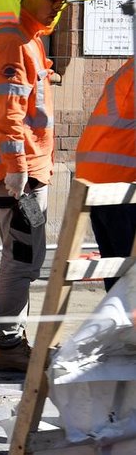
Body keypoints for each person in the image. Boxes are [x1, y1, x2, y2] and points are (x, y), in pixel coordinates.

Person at [0, 0, 86, 372]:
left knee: (26, 256)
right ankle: (8, 346)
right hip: (15, 177)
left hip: (24, 174)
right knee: (22, 259)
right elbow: (9, 114)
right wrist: (17, 168)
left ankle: (13, 342)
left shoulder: (28, 40)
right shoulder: (15, 42)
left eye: (63, 0)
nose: (59, 6)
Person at [75, 58, 136, 292]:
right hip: (120, 183)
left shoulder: (128, 70)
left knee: (117, 274)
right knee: (127, 279)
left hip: (97, 179)